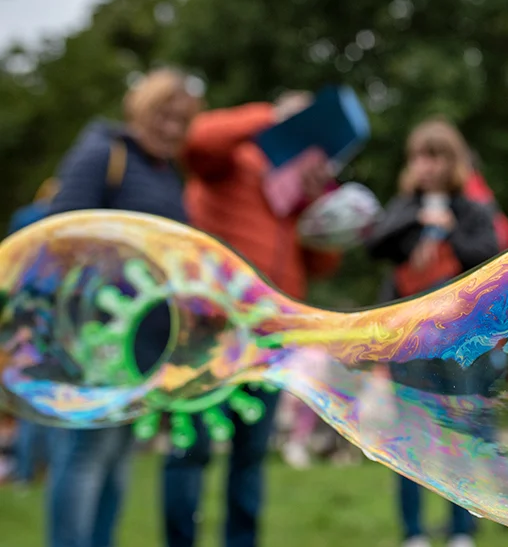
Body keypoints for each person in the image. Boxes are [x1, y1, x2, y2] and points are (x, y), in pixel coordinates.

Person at [165, 92, 341, 547]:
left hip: (270, 339)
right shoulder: (234, 158)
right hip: (209, 330)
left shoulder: (295, 190)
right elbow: (196, 141)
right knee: (193, 448)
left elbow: (322, 264)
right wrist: (271, 115)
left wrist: (317, 201)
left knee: (250, 455)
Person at [44, 68, 201, 547]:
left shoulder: (165, 173)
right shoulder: (103, 154)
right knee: (86, 453)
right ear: (139, 108)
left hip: (143, 344)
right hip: (95, 336)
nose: (172, 129)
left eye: (181, 120)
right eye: (163, 115)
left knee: (115, 458)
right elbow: (59, 235)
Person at [364, 118, 500, 547]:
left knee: (461, 428)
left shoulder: (472, 210)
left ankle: (462, 531)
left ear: (452, 160)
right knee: (409, 431)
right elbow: (375, 245)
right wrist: (417, 221)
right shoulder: (403, 207)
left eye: (435, 155)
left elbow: (489, 257)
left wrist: (450, 228)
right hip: (409, 339)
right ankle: (414, 532)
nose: (426, 165)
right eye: (419, 156)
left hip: (461, 340)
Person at [6, 178, 59, 488]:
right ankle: (34, 468)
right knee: (46, 393)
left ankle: (27, 471)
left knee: (33, 391)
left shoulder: (25, 218)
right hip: (45, 317)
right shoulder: (55, 223)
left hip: (25, 315)